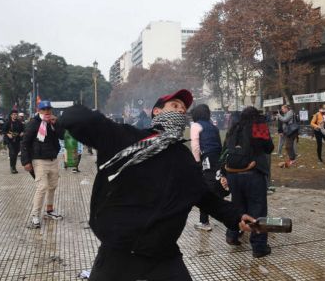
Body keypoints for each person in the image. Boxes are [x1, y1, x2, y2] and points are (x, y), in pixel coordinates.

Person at [60, 89, 255, 281]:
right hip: (119, 251)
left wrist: (235, 216)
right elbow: (83, 121)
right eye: (175, 105)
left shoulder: (183, 157)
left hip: (163, 253)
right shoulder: (128, 139)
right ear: (157, 111)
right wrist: (78, 118)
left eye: (183, 108)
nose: (180, 110)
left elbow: (203, 196)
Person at [221, 106, 274, 258]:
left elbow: (225, 151)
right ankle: (259, 247)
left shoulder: (234, 128)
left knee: (238, 206)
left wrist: (224, 173)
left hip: (233, 174)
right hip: (253, 174)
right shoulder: (258, 126)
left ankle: (232, 235)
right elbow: (269, 148)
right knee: (257, 209)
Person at [21, 100, 65, 228]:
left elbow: (62, 136)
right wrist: (26, 161)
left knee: (52, 186)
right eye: (44, 109)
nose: (47, 112)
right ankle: (35, 216)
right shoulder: (33, 124)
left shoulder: (52, 122)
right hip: (38, 160)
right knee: (42, 187)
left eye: (49, 109)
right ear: (39, 110)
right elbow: (24, 143)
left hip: (53, 159)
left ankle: (49, 211)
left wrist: (56, 124)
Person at [190, 104, 225, 232]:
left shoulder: (195, 125)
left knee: (206, 188)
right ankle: (221, 214)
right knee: (215, 186)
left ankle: (204, 221)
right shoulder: (214, 127)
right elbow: (219, 144)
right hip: (217, 157)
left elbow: (195, 145)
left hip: (206, 158)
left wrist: (197, 162)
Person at [3, 110, 25, 174]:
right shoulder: (8, 122)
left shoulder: (19, 122)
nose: (15, 115)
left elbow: (23, 129)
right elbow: (3, 130)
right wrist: (8, 134)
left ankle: (14, 166)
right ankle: (12, 168)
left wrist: (22, 133)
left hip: (17, 140)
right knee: (12, 153)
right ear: (11, 115)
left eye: (16, 114)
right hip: (10, 140)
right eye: (13, 114)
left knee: (15, 154)